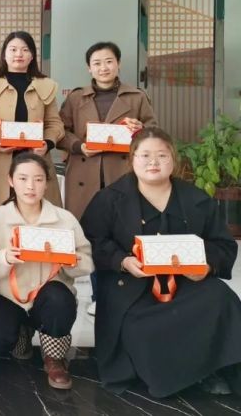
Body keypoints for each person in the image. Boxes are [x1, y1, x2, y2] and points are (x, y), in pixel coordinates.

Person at [81, 127, 241, 398]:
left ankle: (214, 368)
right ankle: (184, 376)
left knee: (221, 298)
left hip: (185, 282)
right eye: (145, 155)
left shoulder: (196, 199)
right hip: (132, 286)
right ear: (132, 159)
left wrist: (206, 266)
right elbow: (92, 241)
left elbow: (223, 245)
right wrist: (122, 261)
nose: (153, 162)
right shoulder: (110, 199)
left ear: (173, 159)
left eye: (161, 155)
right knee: (140, 328)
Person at [0, 152, 93, 390]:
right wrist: (4, 257)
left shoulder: (64, 219)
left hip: (49, 297)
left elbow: (87, 260)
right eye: (22, 178)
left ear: (47, 182)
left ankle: (54, 358)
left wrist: (72, 261)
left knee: (59, 299)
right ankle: (23, 334)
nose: (30, 186)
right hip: (9, 297)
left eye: (38, 179)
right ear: (10, 180)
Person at [58, 41, 156, 317]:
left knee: (125, 235)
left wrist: (140, 129)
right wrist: (79, 146)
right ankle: (98, 296)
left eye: (109, 61)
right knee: (92, 238)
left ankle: (126, 295)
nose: (103, 67)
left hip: (121, 174)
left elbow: (153, 130)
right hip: (85, 175)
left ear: (119, 64)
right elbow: (60, 131)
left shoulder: (136, 97)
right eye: (97, 63)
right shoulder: (77, 98)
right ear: (89, 68)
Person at [0, 31, 64, 217]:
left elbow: (54, 123)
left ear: (32, 55)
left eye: (25, 49)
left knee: (36, 215)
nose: (19, 54)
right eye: (13, 49)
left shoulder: (46, 85)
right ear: (4, 54)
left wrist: (47, 144)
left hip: (35, 158)